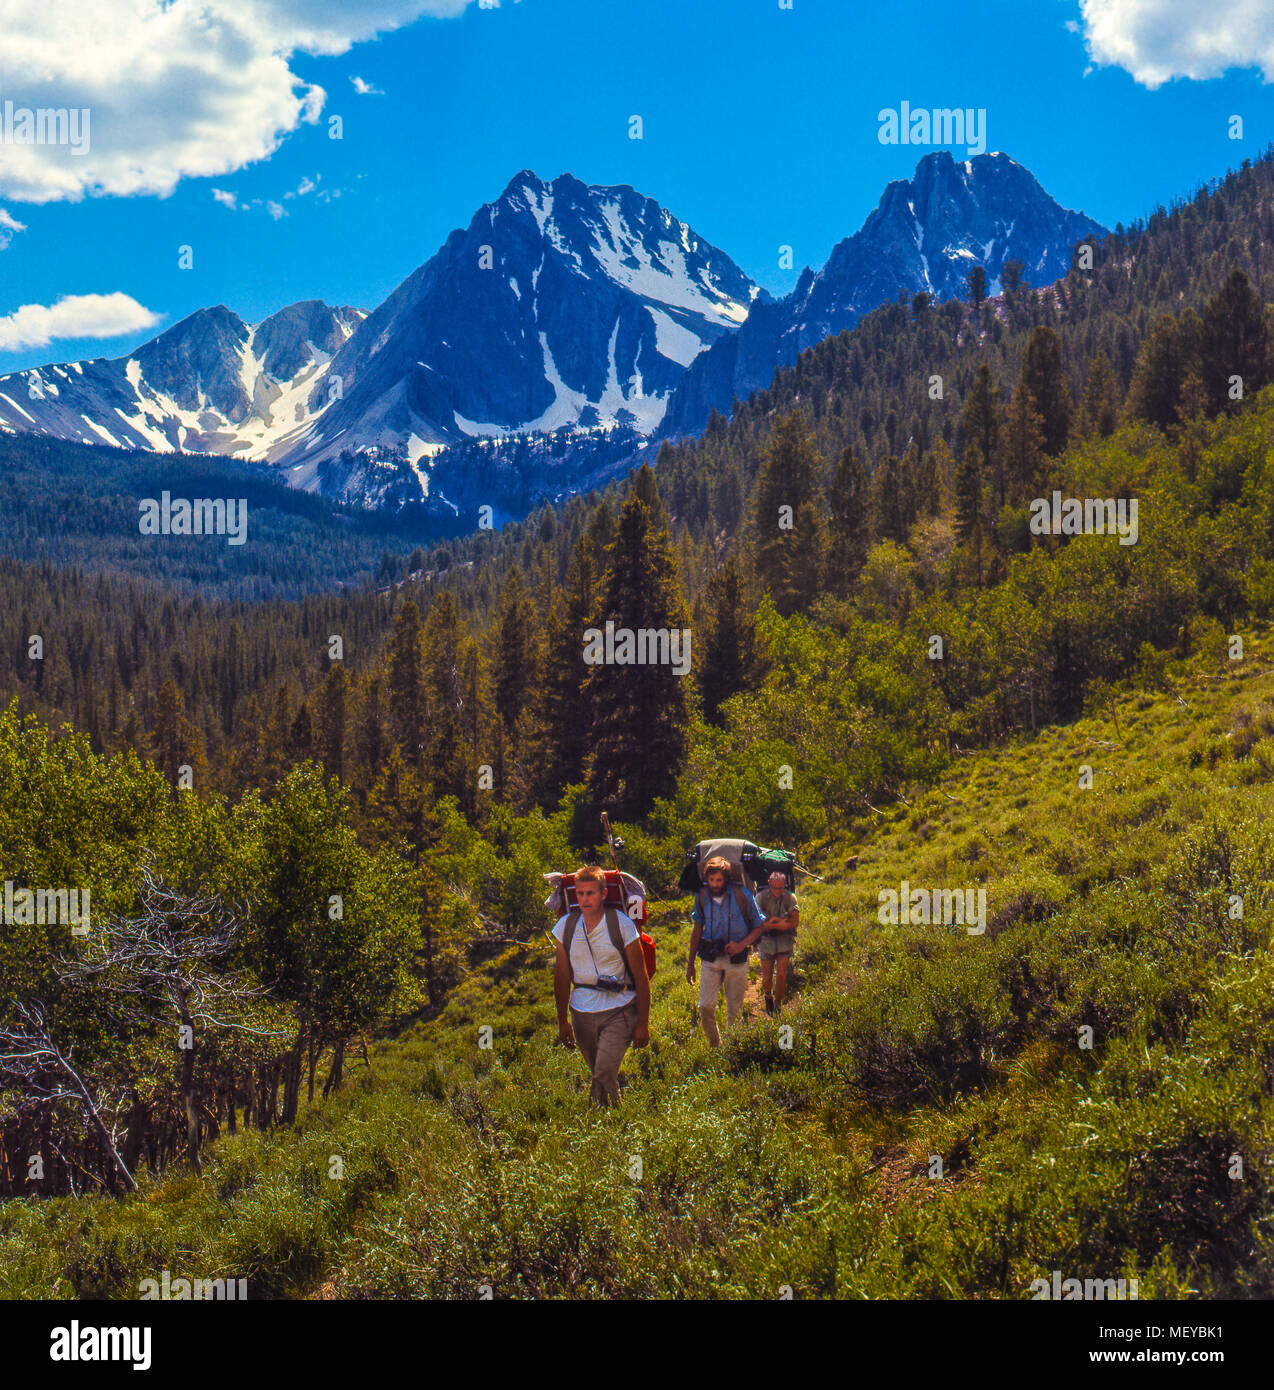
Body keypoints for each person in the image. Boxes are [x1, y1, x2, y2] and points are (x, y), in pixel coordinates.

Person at [552, 865, 650, 1105]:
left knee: (603, 1071)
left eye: (591, 893)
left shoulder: (622, 925)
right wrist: (562, 1020)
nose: (585, 899)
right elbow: (562, 976)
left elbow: (641, 976)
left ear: (603, 894)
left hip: (620, 1008)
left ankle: (596, 1118)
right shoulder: (565, 926)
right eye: (580, 893)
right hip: (581, 1012)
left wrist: (643, 1024)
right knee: (601, 1074)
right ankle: (615, 1122)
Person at [686, 855, 765, 1047]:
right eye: (711, 880)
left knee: (734, 1012)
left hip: (736, 959)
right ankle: (715, 1046)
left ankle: (732, 1051)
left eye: (719, 880)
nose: (714, 884)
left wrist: (741, 945)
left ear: (726, 879)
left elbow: (759, 926)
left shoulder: (741, 895)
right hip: (710, 957)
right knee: (705, 1007)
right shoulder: (703, 896)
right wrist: (690, 965)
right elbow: (697, 929)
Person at [755, 869, 799, 1013]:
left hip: (785, 940)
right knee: (767, 975)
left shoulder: (790, 898)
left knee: (781, 974)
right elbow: (757, 923)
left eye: (780, 888)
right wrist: (779, 923)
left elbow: (794, 922)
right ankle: (768, 995)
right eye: (774, 887)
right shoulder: (760, 898)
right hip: (766, 941)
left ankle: (778, 1004)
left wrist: (772, 922)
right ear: (769, 883)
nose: (777, 891)